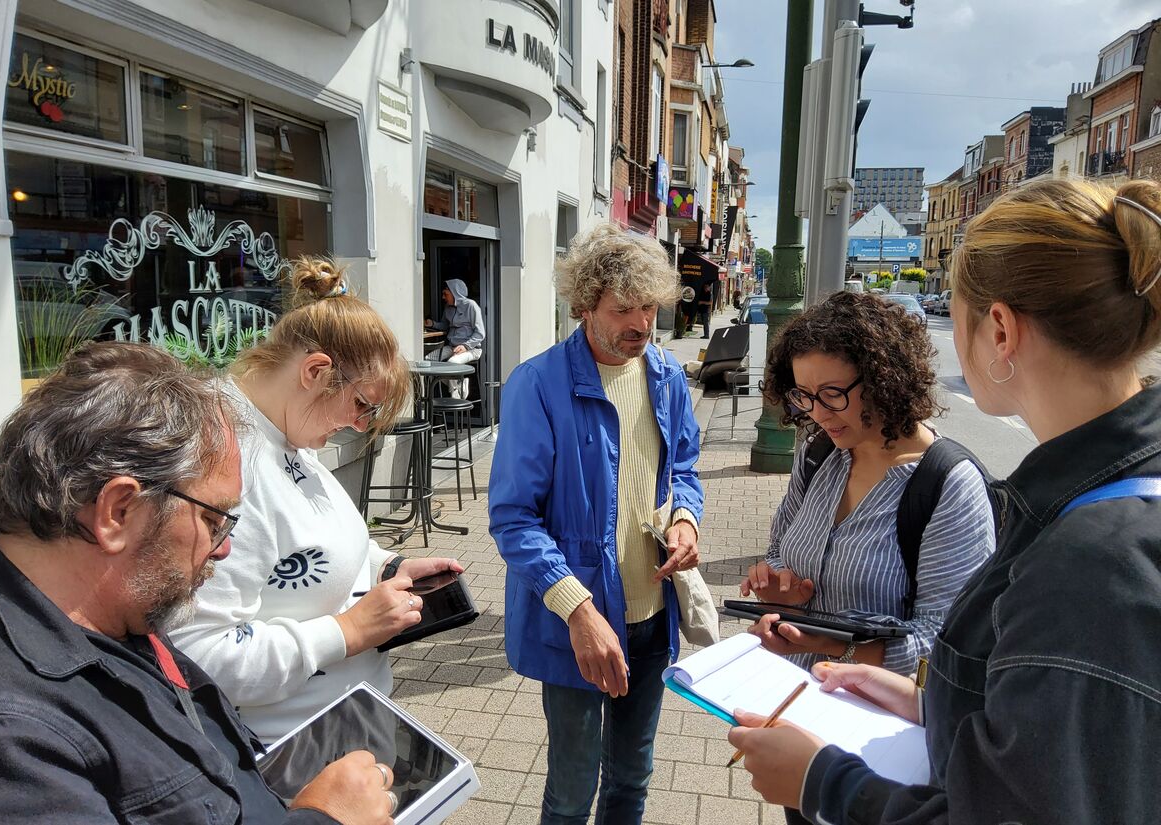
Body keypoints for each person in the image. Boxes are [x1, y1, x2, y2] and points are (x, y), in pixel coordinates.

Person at [728, 178, 1161, 824]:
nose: (816, 416)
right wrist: (928, 699)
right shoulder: (1096, 510)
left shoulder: (1087, 561)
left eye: (954, 311)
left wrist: (826, 781)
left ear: (1001, 329)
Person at [0, 341, 397, 824]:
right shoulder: (0, 733)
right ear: (118, 512)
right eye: (214, 520)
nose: (225, 548)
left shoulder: (117, 613)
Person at [172, 256, 462, 745]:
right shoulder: (222, 459)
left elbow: (310, 540)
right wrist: (347, 632)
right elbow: (199, 653)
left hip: (335, 731)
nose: (361, 425)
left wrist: (387, 568)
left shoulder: (281, 430)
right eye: (362, 405)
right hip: (284, 754)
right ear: (314, 371)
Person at [489, 222, 705, 825]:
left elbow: (683, 464)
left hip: (650, 617)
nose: (641, 324)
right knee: (571, 791)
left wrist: (685, 519)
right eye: (622, 310)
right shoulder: (539, 384)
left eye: (649, 308)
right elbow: (512, 517)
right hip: (576, 622)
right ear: (585, 307)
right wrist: (579, 613)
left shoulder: (665, 375)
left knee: (632, 779)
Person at [741, 291, 994, 678]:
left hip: (873, 725)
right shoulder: (819, 453)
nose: (818, 413)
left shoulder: (948, 485)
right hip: (791, 698)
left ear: (882, 378)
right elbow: (779, 546)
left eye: (833, 394)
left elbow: (948, 641)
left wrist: (834, 645)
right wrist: (780, 591)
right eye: (804, 396)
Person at [424, 278, 485, 398]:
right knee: (427, 361)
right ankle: (459, 383)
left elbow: (480, 333)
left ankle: (455, 396)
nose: (443, 297)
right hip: (452, 347)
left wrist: (465, 346)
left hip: (472, 349)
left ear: (455, 293)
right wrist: (432, 324)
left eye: (445, 294)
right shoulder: (448, 308)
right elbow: (445, 325)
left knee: (452, 363)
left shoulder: (471, 306)